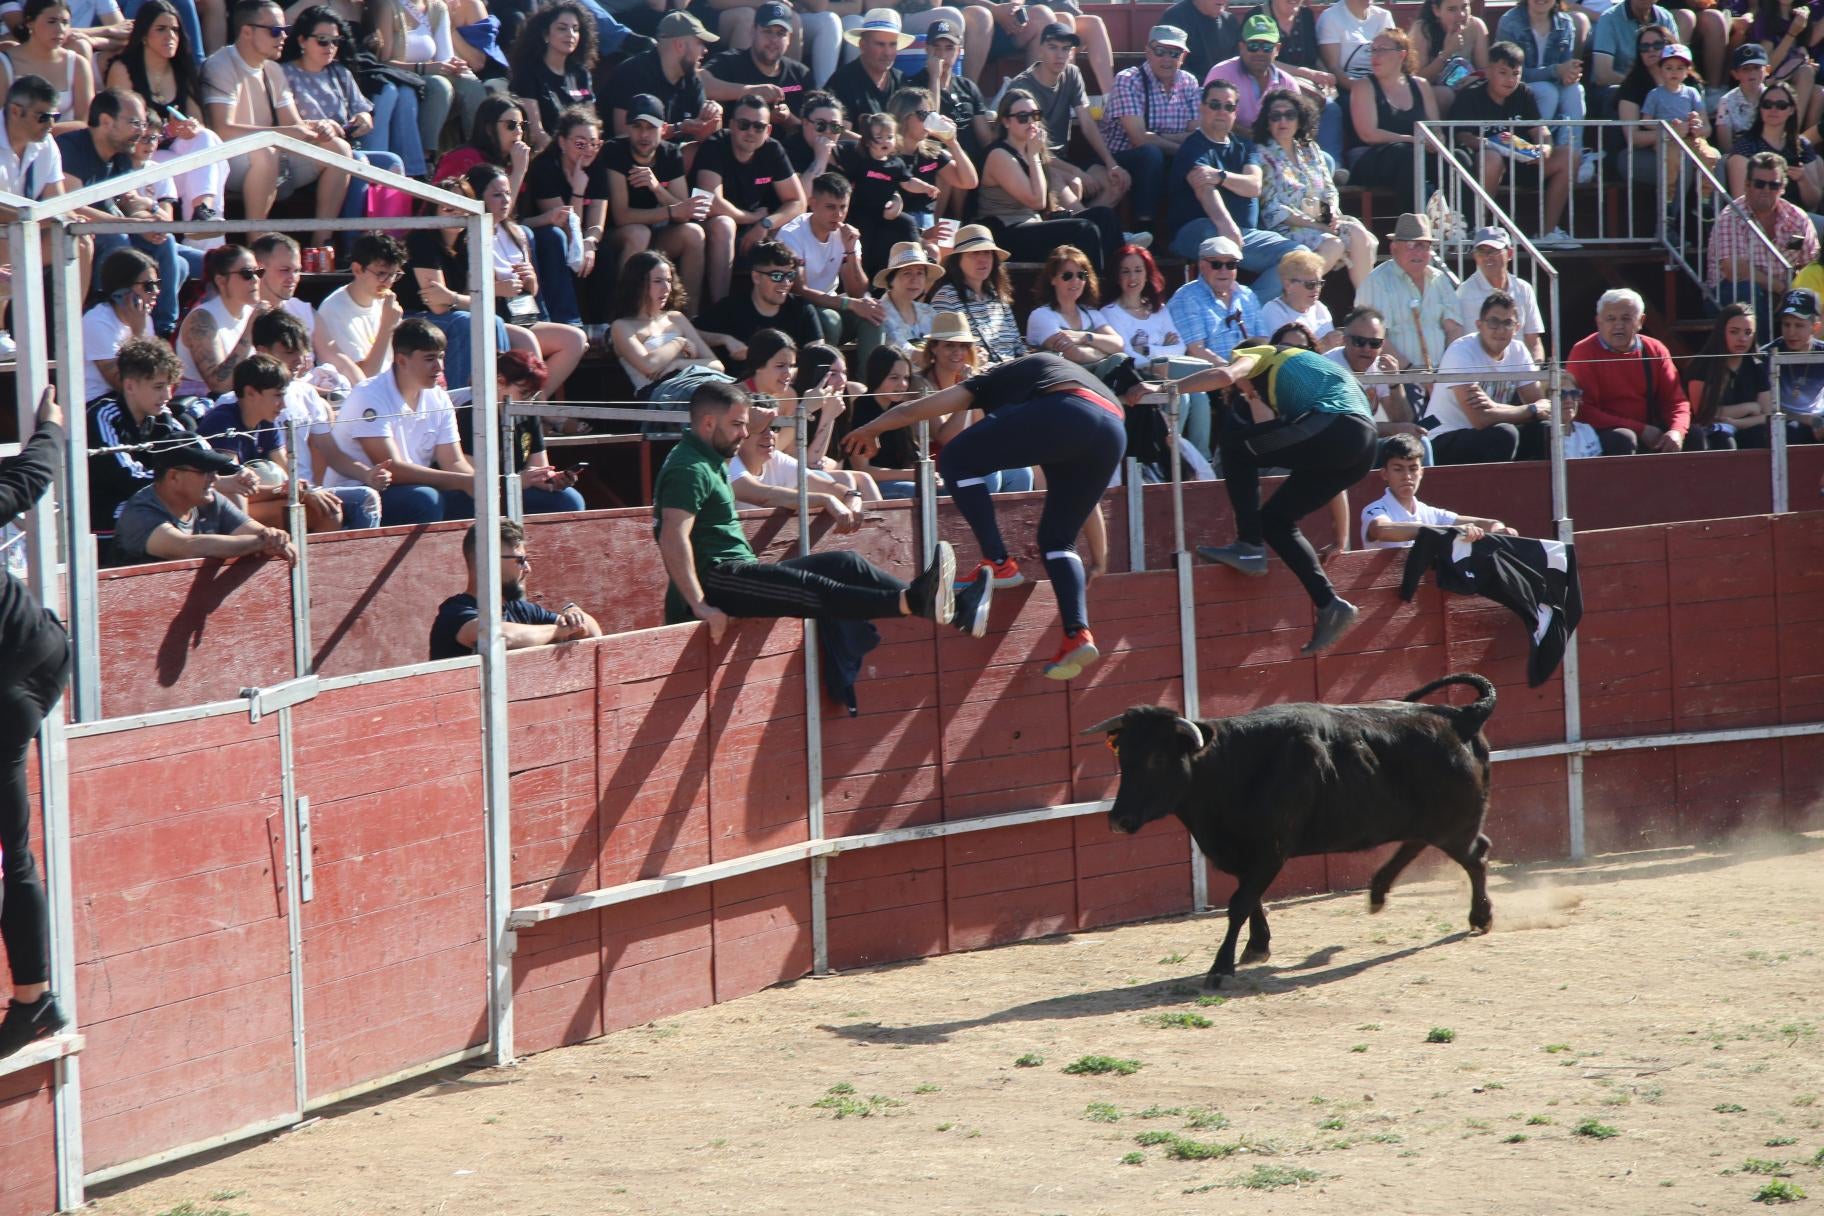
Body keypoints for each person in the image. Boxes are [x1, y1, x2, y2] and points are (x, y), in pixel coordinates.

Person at [843, 351, 1131, 676]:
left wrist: (871, 428)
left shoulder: (999, 376)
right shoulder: (1057, 378)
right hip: (1113, 430)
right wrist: (1100, 558)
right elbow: (1086, 500)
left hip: (1066, 411)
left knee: (955, 459)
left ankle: (997, 561)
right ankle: (1077, 633)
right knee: (1058, 541)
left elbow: (917, 409)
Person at [654, 379, 959, 639]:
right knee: (809, 590)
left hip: (736, 573)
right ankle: (910, 601)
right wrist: (699, 604)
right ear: (709, 423)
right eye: (737, 425)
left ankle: (952, 608)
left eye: (746, 425)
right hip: (718, 579)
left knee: (845, 564)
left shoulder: (707, 453)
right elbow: (673, 536)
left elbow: (742, 433)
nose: (745, 434)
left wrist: (755, 418)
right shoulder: (689, 468)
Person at [1179, 343, 1378, 653]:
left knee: (1234, 447)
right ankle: (1329, 603)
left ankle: (1249, 546)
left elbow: (1225, 375)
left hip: (1337, 426)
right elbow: (1274, 433)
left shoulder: (1257, 354)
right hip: (1361, 446)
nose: (1244, 392)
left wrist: (1168, 387)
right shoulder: (1304, 374)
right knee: (1275, 520)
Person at [0, 388, 71, 1057]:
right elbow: (29, 477)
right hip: (40, 653)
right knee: (12, 855)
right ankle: (34, 998)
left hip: (8, 687)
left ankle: (34, 999)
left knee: (12, 854)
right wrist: (49, 426)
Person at [203, 0, 352, 243]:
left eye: (285, 30)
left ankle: (320, 247)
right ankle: (256, 244)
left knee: (339, 149)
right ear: (247, 31)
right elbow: (223, 129)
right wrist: (287, 133)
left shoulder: (273, 69)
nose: (282, 37)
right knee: (266, 153)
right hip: (231, 162)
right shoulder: (220, 64)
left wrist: (319, 127)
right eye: (274, 31)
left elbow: (293, 126)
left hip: (273, 155)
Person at [56, 89, 189, 337]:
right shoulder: (72, 148)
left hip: (112, 224)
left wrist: (149, 217)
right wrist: (128, 223)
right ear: (106, 121)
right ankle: (106, 314)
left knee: (168, 244)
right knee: (118, 237)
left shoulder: (122, 153)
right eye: (135, 122)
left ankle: (163, 330)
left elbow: (126, 199)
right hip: (76, 231)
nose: (141, 131)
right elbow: (70, 206)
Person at [324, 317, 476, 523]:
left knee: (474, 498)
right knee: (425, 500)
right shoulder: (369, 395)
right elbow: (392, 468)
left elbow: (454, 461)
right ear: (402, 360)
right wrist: (462, 481)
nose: (439, 367)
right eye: (430, 359)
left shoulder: (439, 398)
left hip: (410, 489)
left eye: (441, 357)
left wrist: (478, 483)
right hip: (358, 495)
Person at [248, 308, 382, 530]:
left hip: (308, 490)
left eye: (302, 352)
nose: (299, 360)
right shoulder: (242, 398)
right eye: (289, 352)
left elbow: (333, 454)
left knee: (365, 498)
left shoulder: (307, 394)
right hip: (272, 495)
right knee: (340, 507)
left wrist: (367, 474)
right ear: (262, 351)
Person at [1167, 77, 1297, 298]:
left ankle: (1249, 308)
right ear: (1202, 107)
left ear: (1235, 112)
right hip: (1199, 231)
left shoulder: (1246, 147)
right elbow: (1205, 191)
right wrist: (1225, 225)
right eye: (1215, 105)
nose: (1221, 111)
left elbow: (1254, 186)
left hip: (1246, 234)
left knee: (1296, 256)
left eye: (1229, 106)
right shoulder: (1193, 147)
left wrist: (1220, 175)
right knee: (1215, 235)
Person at [975, 87, 1124, 272]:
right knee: (1085, 230)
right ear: (1006, 121)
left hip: (1033, 226)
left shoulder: (1030, 151)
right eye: (1023, 117)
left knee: (1104, 216)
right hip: (1006, 235)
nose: (1030, 122)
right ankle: (1095, 294)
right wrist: (1034, 156)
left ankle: (1117, 289)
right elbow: (1036, 200)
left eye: (1035, 115)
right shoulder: (999, 155)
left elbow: (1043, 205)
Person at [107, 0, 228, 226]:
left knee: (207, 139)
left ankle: (203, 212)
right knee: (212, 167)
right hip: (137, 160)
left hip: (172, 161)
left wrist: (189, 128)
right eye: (161, 29)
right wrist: (165, 132)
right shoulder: (123, 69)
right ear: (143, 35)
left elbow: (198, 127)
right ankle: (203, 227)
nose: (170, 36)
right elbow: (120, 134)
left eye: (174, 30)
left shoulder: (183, 69)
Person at [1451, 42, 1578, 248]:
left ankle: (1547, 233)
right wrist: (1487, 143)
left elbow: (1541, 131)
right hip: (1486, 166)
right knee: (1491, 158)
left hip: (1522, 161)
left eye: (1515, 73)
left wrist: (1545, 148)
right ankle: (1478, 229)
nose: (1510, 80)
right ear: (1489, 70)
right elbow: (1461, 135)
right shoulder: (1471, 95)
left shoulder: (1523, 93)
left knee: (1569, 155)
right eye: (1503, 72)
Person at [111, 428, 299, 565]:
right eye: (205, 471)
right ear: (174, 476)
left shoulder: (212, 500)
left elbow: (256, 531)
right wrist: (263, 542)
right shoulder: (140, 513)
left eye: (215, 470)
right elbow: (189, 547)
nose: (215, 478)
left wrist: (274, 537)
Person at [1250, 87, 1375, 286]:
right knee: (1333, 244)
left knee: (1360, 235)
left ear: (1300, 119)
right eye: (1275, 116)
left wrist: (1332, 213)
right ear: (1267, 121)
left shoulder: (1310, 149)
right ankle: (1295, 298)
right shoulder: (1261, 155)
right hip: (1287, 228)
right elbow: (1272, 209)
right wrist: (1316, 225)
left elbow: (1329, 189)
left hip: (1322, 221)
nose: (1283, 121)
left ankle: (1365, 307)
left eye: (1290, 115)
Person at [692, 91, 807, 303]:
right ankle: (720, 308)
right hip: (712, 225)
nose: (751, 131)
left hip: (755, 226)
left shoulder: (773, 149)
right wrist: (752, 218)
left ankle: (790, 308)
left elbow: (798, 202)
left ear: (768, 130)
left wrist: (765, 223)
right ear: (733, 125)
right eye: (744, 124)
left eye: (759, 126)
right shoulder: (715, 145)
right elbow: (711, 203)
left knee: (790, 227)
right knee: (724, 224)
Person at [429, 517, 600, 660]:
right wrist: (558, 630)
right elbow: (500, 636)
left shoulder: (521, 610)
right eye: (519, 560)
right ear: (487, 563)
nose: (527, 568)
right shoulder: (454, 614)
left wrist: (576, 617)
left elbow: (593, 634)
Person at [1006, 21, 1130, 213]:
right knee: (1071, 185)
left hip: (1064, 158)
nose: (1060, 55)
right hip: (1032, 159)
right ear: (1040, 50)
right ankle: (1091, 228)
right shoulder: (1023, 87)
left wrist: (1111, 164)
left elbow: (1087, 122)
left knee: (1117, 183)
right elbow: (1032, 145)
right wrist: (1076, 172)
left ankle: (1089, 228)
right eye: (1052, 47)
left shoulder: (1072, 73)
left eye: (1066, 49)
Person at [1102, 241, 1211, 458]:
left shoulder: (1159, 309)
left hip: (1167, 375)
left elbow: (1179, 348)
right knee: (1182, 397)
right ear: (1117, 276)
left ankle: (1202, 457)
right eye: (1126, 271)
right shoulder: (1110, 312)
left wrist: (1147, 349)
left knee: (1199, 393)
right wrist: (1162, 348)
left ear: (1147, 273)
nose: (1132, 278)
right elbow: (1128, 356)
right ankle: (1168, 456)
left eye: (1138, 270)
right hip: (1140, 378)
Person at [601, 92, 711, 308]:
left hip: (658, 234)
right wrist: (671, 211)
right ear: (627, 127)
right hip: (618, 237)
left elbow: (684, 212)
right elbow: (622, 216)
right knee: (638, 232)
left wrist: (657, 188)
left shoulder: (670, 154)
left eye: (650, 127)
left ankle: (688, 316)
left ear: (663, 128)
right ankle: (623, 313)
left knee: (694, 233)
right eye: (637, 126)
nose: (643, 134)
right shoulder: (614, 151)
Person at [451, 349, 587, 514]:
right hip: (474, 494)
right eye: (524, 394)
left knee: (570, 501)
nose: (528, 402)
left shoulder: (528, 414)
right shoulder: (470, 414)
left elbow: (538, 466)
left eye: (533, 396)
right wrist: (518, 482)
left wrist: (551, 479)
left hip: (515, 488)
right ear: (500, 382)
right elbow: (470, 478)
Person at [1424, 290, 1551, 464]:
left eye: (1507, 323)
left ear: (1517, 328)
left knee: (1544, 429)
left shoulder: (1519, 351)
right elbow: (1480, 419)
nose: (1500, 330)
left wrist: (1495, 408)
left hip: (1485, 435)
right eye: (1493, 322)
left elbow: (1542, 407)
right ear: (1479, 325)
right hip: (1442, 438)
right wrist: (1530, 410)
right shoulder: (1461, 351)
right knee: (1504, 434)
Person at [1564, 287, 1692, 453]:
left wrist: (1677, 431)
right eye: (1611, 319)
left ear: (1641, 321)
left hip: (1651, 427)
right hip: (1605, 431)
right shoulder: (1583, 351)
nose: (1618, 325)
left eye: (1626, 318)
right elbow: (1583, 410)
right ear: (1598, 322)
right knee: (1623, 438)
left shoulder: (1654, 349)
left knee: (1693, 435)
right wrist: (1640, 429)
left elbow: (1676, 401)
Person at [1099, 24, 1200, 233]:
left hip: (1169, 156)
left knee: (1198, 158)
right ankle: (1144, 226)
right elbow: (1138, 138)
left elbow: (1196, 135)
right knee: (1151, 154)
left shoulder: (1189, 82)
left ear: (1184, 56)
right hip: (1122, 157)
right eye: (1160, 51)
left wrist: (1158, 136)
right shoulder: (1128, 80)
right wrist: (1181, 148)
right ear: (1147, 51)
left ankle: (1186, 232)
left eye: (1174, 53)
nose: (1167, 58)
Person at [88, 336, 192, 537]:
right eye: (158, 387)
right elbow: (129, 478)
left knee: (221, 498)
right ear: (129, 387)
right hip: (108, 524)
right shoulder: (104, 417)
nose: (168, 396)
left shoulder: (162, 416)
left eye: (169, 386)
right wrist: (190, 481)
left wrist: (234, 473)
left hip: (151, 508)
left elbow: (198, 451)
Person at [516, 104, 604, 329]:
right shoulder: (545, 167)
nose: (587, 150)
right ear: (562, 142)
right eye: (579, 143)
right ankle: (568, 321)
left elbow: (596, 222)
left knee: (605, 253)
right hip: (543, 230)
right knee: (558, 240)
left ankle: (602, 322)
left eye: (593, 143)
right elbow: (568, 225)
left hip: (577, 236)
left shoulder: (597, 166)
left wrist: (590, 242)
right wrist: (577, 190)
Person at [1709, 150, 1817, 334]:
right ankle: (1763, 359)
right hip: (1729, 296)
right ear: (1747, 185)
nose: (1766, 190)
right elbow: (1735, 270)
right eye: (1759, 184)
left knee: (1810, 297)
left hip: (1783, 295)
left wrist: (1792, 294)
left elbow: (1809, 265)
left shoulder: (1797, 218)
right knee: (1748, 291)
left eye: (1773, 185)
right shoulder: (1731, 216)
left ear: (1782, 188)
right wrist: (1781, 288)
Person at [1360, 432, 1516, 548]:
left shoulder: (1429, 513)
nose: (1407, 476)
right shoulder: (1375, 509)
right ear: (1384, 474)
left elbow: (1486, 524)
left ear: (1421, 472)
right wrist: (1449, 530)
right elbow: (1381, 529)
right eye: (1398, 469)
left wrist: (1499, 529)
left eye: (1413, 469)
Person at [371, 0, 484, 155]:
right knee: (440, 86)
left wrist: (456, 66)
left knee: (473, 86)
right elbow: (383, 63)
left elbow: (445, 58)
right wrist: (423, 67)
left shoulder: (437, 7)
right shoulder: (388, 5)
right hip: (400, 76)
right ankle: (425, 158)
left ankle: (479, 154)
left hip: (429, 74)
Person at [777, 171, 879, 340]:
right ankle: (829, 366)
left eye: (843, 207)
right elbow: (799, 290)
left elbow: (857, 292)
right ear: (813, 204)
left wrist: (851, 251)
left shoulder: (847, 235)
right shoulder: (791, 235)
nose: (838, 214)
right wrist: (848, 303)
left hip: (831, 303)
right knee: (830, 320)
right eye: (830, 207)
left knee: (874, 317)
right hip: (797, 310)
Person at [1346, 29, 1437, 218]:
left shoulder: (1421, 85)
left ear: (1401, 55)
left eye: (1382, 50)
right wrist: (1413, 140)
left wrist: (1437, 142)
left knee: (1458, 157)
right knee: (1407, 156)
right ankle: (1416, 228)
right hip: (1372, 158)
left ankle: (1465, 227)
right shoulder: (1363, 86)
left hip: (1415, 152)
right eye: (1373, 50)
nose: (1375, 56)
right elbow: (1368, 134)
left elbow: (1436, 128)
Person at [1356, 211, 1462, 372]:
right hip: (1395, 378)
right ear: (1394, 248)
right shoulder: (1376, 282)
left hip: (1441, 374)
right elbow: (1375, 338)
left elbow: (1455, 329)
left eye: (1424, 246)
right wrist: (1414, 374)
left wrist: (1446, 371)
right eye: (1411, 245)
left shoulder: (1440, 279)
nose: (1418, 252)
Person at [1496, 0, 1589, 179]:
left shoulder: (1565, 23)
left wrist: (1570, 73)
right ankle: (1533, 151)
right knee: (1547, 91)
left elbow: (1564, 68)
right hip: (1518, 90)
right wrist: (1555, 71)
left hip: (1552, 85)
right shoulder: (1509, 22)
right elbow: (1510, 74)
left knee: (1575, 91)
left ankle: (1572, 153)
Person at [611, 249, 724, 392]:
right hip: (662, 393)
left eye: (669, 281)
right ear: (638, 285)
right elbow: (648, 365)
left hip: (698, 384)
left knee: (734, 393)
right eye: (658, 281)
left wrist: (678, 363)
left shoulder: (675, 318)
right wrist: (679, 342)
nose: (666, 288)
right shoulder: (622, 326)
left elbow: (716, 365)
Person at [698, 238, 825, 357]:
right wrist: (724, 339)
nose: (786, 283)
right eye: (777, 276)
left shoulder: (802, 308)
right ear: (756, 277)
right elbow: (692, 332)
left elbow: (817, 355)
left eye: (790, 276)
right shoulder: (731, 308)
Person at [1327, 303, 1430, 449]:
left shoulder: (1380, 366)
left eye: (1375, 343)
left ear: (1382, 346)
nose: (1367, 349)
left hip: (1368, 443)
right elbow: (1346, 427)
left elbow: (1402, 420)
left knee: (1421, 442)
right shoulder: (1328, 367)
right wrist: (1394, 429)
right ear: (1345, 340)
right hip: (1337, 446)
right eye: (1359, 341)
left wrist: (1394, 382)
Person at [606, 9, 720, 138]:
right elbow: (624, 137)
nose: (705, 50)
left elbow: (706, 137)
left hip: (667, 155)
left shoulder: (691, 80)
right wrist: (678, 128)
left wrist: (715, 115)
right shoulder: (632, 73)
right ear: (680, 45)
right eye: (700, 43)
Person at [702, 1, 811, 135]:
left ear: (789, 38)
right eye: (767, 31)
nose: (773, 39)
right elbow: (699, 81)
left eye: (781, 33)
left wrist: (788, 119)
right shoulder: (730, 62)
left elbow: (814, 129)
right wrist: (749, 91)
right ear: (753, 31)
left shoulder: (800, 74)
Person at [884, 88, 977, 241]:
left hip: (927, 225)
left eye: (931, 115)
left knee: (955, 238)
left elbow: (969, 182)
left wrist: (952, 143)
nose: (929, 121)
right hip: (896, 228)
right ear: (903, 116)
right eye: (923, 115)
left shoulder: (931, 153)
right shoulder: (885, 154)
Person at [928, 224, 1028, 365]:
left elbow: (1017, 345)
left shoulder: (998, 297)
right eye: (974, 253)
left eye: (987, 253)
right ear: (958, 261)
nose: (983, 259)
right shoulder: (946, 296)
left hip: (1012, 371)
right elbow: (945, 351)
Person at [176, 243, 266, 397]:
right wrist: (251, 329)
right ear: (221, 281)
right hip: (202, 407)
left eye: (259, 272)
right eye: (247, 273)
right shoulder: (202, 318)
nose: (255, 279)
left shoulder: (252, 312)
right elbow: (220, 385)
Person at [1640, 42, 1720, 212]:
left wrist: (1696, 123)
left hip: (1691, 138)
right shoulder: (1654, 94)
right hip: (1668, 139)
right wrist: (1668, 128)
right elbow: (1645, 122)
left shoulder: (1692, 93)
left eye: (1679, 68)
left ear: (1687, 71)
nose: (1674, 72)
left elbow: (1704, 122)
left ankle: (1705, 199)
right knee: (1671, 160)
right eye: (1668, 67)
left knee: (1710, 155)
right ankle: (1668, 201)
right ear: (1661, 70)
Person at [1685, 301, 1775, 450]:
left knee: (1762, 434)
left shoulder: (1757, 365)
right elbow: (1704, 413)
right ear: (1722, 332)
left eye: (1748, 333)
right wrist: (1749, 407)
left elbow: (1767, 414)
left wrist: (1737, 423)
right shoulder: (1701, 364)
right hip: (1710, 430)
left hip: (1746, 426)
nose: (1742, 339)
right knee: (1724, 438)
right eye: (1734, 332)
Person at [1722, 78, 1821, 212]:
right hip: (1758, 223)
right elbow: (1741, 203)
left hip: (1799, 219)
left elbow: (1813, 203)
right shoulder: (1745, 146)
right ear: (1760, 108)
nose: (1773, 109)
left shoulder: (1802, 145)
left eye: (1781, 105)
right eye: (1767, 104)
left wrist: (1803, 180)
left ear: (1791, 109)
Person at [1025, 244, 1125, 374]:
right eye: (1067, 275)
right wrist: (1105, 351)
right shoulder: (1041, 316)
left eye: (1081, 275)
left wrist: (1085, 337)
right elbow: (1075, 355)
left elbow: (1119, 344)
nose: (1075, 281)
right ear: (1053, 279)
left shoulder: (1091, 313)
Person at [505, 0, 595, 146]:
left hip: (582, 154)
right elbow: (535, 132)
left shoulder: (581, 74)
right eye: (562, 28)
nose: (570, 34)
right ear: (546, 34)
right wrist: (566, 158)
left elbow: (591, 125)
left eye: (575, 29)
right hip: (546, 155)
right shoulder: (528, 73)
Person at [0, 0, 93, 136]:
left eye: (65, 22)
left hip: (65, 146)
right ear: (29, 22)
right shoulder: (4, 63)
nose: (60, 29)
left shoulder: (78, 64)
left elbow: (86, 121)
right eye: (52, 21)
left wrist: (44, 131)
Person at [1455, 226, 1547, 363]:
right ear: (1475, 256)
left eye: (1494, 251)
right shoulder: (1463, 294)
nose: (1487, 257)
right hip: (1479, 376)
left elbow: (1534, 342)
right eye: (1481, 251)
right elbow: (1460, 346)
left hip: (1520, 375)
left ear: (1509, 253)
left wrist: (1535, 370)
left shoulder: (1524, 289)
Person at [1168, 234, 1262, 366]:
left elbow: (1263, 340)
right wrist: (1232, 374)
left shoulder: (1247, 295)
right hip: (1211, 381)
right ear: (1201, 265)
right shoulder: (1186, 298)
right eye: (1216, 264)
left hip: (1249, 374)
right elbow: (1196, 351)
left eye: (1231, 264)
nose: (1224, 270)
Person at [82, 247, 159, 403]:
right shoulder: (97, 321)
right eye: (148, 286)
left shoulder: (144, 318)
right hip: (100, 403)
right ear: (123, 290)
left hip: (138, 403)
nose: (156, 291)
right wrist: (139, 332)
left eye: (158, 284)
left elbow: (159, 371)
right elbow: (123, 384)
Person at [844, 343, 919, 497]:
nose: (903, 384)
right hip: (870, 487)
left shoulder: (902, 408)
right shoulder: (861, 409)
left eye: (906, 378)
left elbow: (910, 458)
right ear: (877, 375)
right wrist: (910, 475)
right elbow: (862, 469)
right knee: (914, 491)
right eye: (894, 378)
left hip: (904, 480)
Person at [1205, 13, 1302, 130]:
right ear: (1241, 47)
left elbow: (1296, 125)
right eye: (1253, 45)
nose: (1260, 52)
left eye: (1267, 47)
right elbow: (1209, 118)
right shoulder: (1221, 74)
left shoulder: (1288, 83)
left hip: (1275, 146)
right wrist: (1255, 139)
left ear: (1277, 49)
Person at [431, 93, 529, 197]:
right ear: (489, 129)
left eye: (522, 125)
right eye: (511, 125)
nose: (519, 131)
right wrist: (518, 173)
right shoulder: (463, 157)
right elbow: (502, 211)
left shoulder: (516, 161)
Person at [1760, 287, 1824, 439]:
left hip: (1820, 420)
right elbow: (1765, 407)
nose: (1791, 332)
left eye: (1799, 325)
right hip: (1785, 422)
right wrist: (1807, 420)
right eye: (1786, 324)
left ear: (1815, 327)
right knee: (1792, 430)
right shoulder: (1766, 355)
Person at [825, 6, 906, 125]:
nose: (887, 52)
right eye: (880, 44)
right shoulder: (842, 81)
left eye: (892, 45)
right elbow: (833, 128)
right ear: (862, 45)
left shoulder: (902, 80)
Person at [1409, 0, 1489, 113]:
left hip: (1466, 89)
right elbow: (1416, 79)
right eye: (1452, 9)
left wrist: (1476, 77)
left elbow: (1485, 69)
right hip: (1431, 93)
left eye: (1464, 7)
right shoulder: (1422, 29)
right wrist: (1447, 52)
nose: (1461, 14)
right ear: (1436, 10)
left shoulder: (1476, 26)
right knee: (1444, 95)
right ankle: (1439, 131)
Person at [1259, 248, 1339, 349]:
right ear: (1288, 285)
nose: (1316, 289)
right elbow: (1285, 356)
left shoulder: (1320, 308)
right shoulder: (1273, 311)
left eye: (1319, 283)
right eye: (1310, 284)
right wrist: (1322, 345)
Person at [1317, 0, 1395, 90]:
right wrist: (1363, 90)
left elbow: (1394, 59)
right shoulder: (1330, 17)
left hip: (1385, 85)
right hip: (1350, 88)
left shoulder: (1384, 16)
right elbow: (1333, 68)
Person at [1163, 0, 1242, 82]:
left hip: (1224, 90)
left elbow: (1237, 66)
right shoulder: (1175, 17)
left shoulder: (1230, 21)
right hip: (1189, 89)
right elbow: (1169, 65)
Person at [1715, 43, 1770, 152]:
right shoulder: (1726, 101)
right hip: (1739, 156)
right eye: (1745, 69)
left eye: (1757, 67)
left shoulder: (1774, 97)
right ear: (1735, 74)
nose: (1752, 73)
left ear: (1767, 70)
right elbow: (1725, 146)